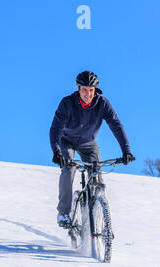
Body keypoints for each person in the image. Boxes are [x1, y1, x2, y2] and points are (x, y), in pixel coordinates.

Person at [49, 71, 135, 228]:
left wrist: (126, 150)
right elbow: (55, 128)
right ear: (78, 88)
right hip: (67, 141)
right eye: (84, 90)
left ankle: (96, 212)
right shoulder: (67, 103)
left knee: (96, 176)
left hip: (89, 143)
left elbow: (116, 125)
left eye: (91, 90)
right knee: (68, 169)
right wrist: (56, 151)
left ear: (95, 90)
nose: (88, 94)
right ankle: (63, 213)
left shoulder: (102, 103)